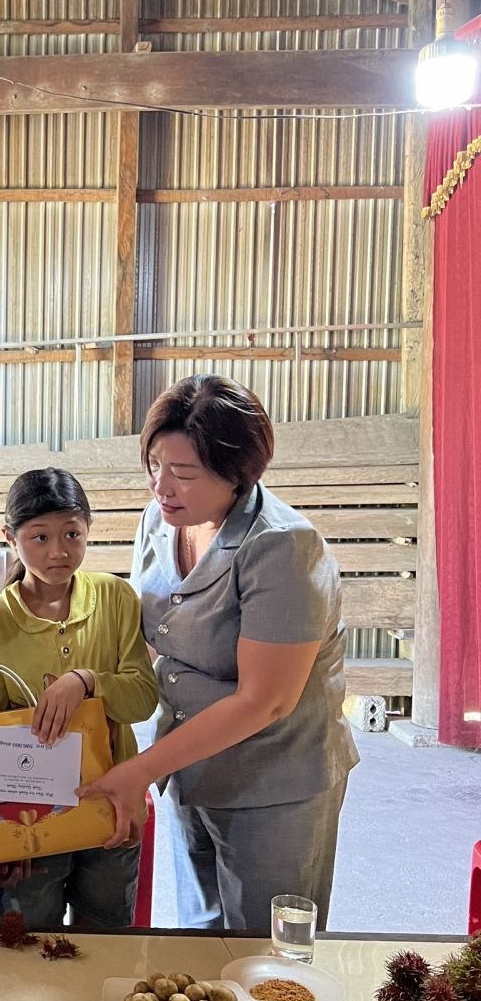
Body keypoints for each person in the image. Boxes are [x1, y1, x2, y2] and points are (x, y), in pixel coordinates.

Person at [78, 375, 359, 932]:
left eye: (183, 473)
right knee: (201, 942)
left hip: (275, 782)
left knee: (267, 953)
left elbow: (265, 701)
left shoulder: (281, 548)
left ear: (238, 475)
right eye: (155, 464)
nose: (163, 486)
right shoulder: (159, 521)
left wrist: (139, 771)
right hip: (191, 764)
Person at [0, 468, 159, 929]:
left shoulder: (115, 598)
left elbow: (142, 700)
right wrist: (2, 839)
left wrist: (88, 681)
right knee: (29, 942)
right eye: (40, 537)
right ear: (10, 538)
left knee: (107, 937)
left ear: (89, 529)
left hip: (110, 809)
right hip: (31, 819)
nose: (59, 551)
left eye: (72, 533)